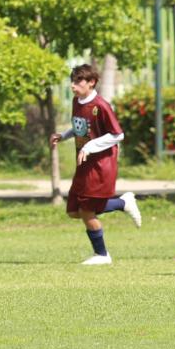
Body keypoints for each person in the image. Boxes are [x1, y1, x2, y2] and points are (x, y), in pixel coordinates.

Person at [49, 63, 141, 266]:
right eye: (72, 81)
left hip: (100, 165)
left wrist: (89, 147)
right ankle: (122, 203)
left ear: (91, 82)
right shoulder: (77, 101)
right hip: (83, 164)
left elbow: (118, 135)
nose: (73, 86)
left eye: (78, 81)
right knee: (74, 211)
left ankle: (102, 255)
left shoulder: (101, 106)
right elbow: (80, 128)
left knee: (87, 211)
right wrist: (63, 136)